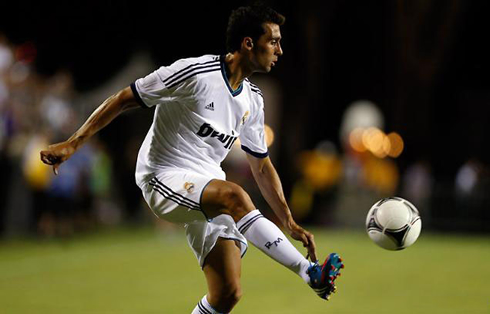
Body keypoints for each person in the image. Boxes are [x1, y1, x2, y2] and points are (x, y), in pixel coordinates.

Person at [40, 5, 343, 313]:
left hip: (208, 185)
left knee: (227, 293)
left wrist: (289, 220)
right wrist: (74, 143)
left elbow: (262, 165)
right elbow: (123, 98)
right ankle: (310, 272)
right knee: (235, 195)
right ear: (248, 43)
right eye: (273, 41)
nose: (280, 49)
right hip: (162, 176)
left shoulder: (253, 99)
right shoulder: (195, 73)